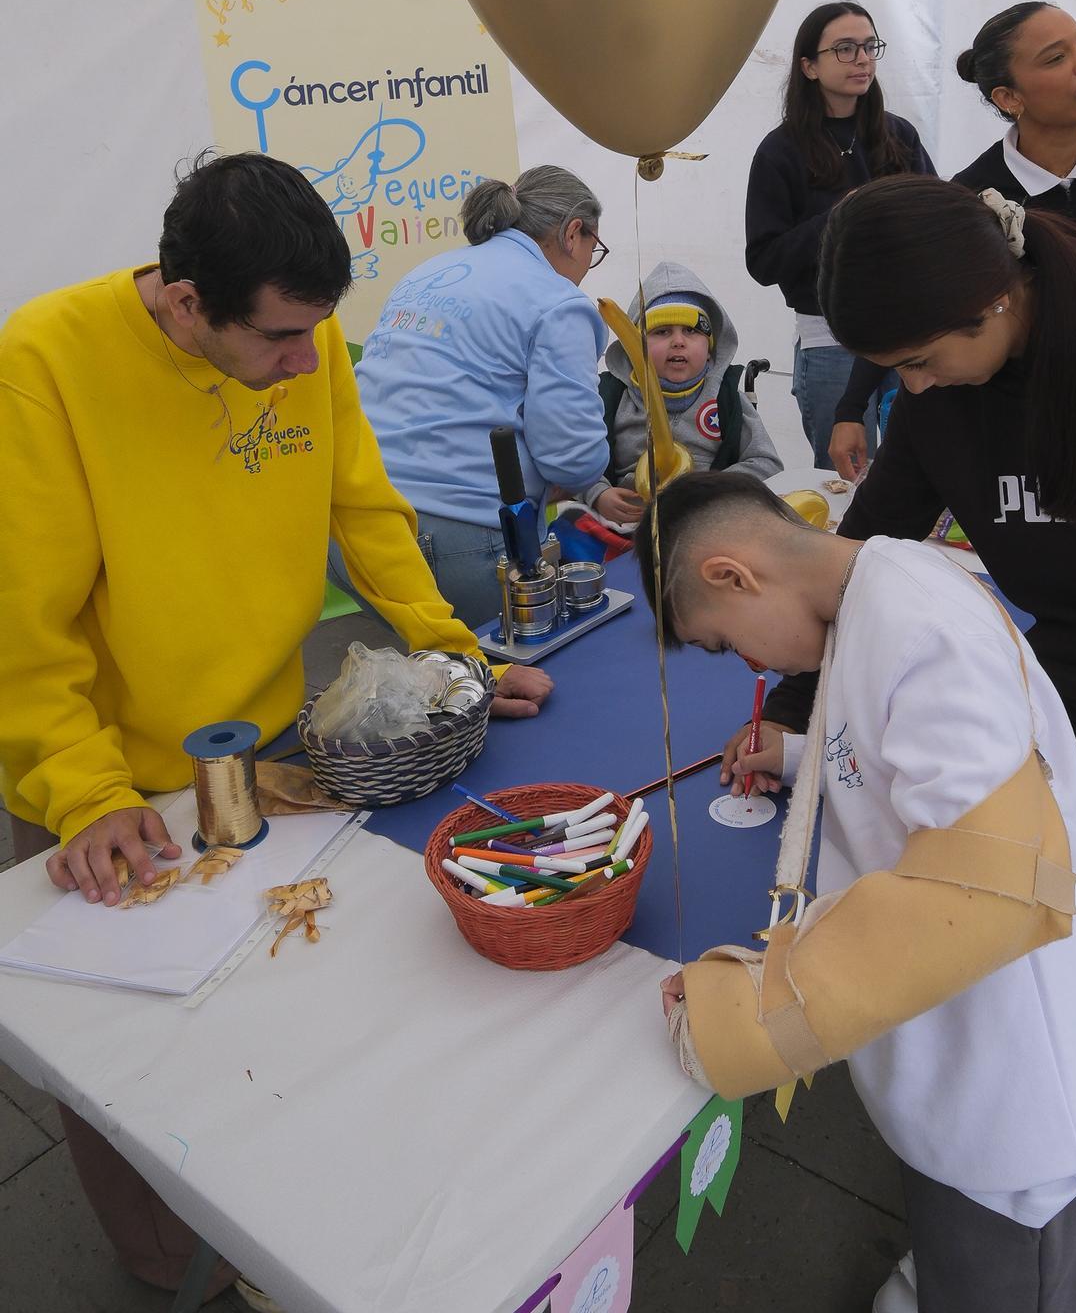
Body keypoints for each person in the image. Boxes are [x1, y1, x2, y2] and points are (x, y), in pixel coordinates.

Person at [0, 151, 550, 1303]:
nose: (307, 360)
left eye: (317, 332)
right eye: (281, 340)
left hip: (259, 751)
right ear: (185, 302)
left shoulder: (308, 337)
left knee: (267, 1013)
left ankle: (273, 1227)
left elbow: (363, 506)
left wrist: (451, 648)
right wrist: (83, 791)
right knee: (121, 1055)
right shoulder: (43, 360)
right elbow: (23, 625)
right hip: (107, 776)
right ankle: (168, 1266)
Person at [814, 174, 1076, 1312]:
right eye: (890, 370)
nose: (911, 387)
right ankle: (1006, 1233)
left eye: (919, 359)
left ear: (995, 300)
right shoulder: (942, 400)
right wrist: (795, 703)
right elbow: (870, 551)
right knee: (1043, 980)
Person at [637, 471, 1076, 1313]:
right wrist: (798, 756)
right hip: (956, 1055)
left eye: (724, 641)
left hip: (1013, 1097)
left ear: (733, 575)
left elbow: (990, 892)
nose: (750, 664)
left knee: (1008, 1271)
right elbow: (903, 756)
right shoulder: (876, 587)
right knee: (956, 1238)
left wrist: (750, 1012)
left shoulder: (920, 629)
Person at [828, 0, 1076, 482]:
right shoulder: (974, 192)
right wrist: (850, 409)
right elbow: (913, 313)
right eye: (1056, 57)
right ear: (1008, 97)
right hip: (1028, 409)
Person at [351, 166, 614, 626]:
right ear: (574, 233)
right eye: (595, 249)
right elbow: (572, 458)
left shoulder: (427, 272)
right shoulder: (556, 301)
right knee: (513, 667)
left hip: (356, 524)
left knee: (434, 667)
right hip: (456, 538)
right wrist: (590, 477)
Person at [744, 0, 935, 469]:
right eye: (845, 49)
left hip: (912, 333)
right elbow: (764, 261)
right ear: (809, 66)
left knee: (921, 471)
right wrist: (838, 217)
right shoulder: (780, 151)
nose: (863, 59)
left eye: (870, 46)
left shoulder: (899, 136)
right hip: (831, 340)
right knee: (846, 479)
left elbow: (938, 224)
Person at [581, 262, 782, 522]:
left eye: (691, 331)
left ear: (710, 349)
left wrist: (716, 490)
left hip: (706, 521)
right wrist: (598, 493)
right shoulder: (610, 396)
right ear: (634, 346)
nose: (678, 341)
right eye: (662, 331)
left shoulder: (726, 397)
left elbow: (768, 463)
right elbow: (575, 457)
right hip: (624, 522)